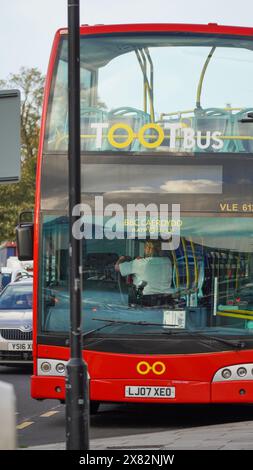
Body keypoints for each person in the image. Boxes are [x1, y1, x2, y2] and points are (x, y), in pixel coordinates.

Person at [115, 240, 174, 306]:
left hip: (145, 302)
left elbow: (117, 268)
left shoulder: (139, 263)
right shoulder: (167, 261)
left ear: (147, 249)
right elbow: (153, 266)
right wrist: (142, 260)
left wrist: (122, 258)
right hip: (166, 301)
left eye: (145, 247)